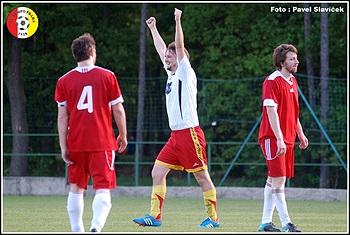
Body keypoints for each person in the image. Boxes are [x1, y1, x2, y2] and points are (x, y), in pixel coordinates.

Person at [133, 8, 220, 228]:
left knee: (201, 177)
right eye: (167, 55)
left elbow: (178, 46)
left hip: (190, 133)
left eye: (171, 55)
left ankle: (213, 218)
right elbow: (162, 48)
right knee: (157, 172)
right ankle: (155, 217)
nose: (167, 56)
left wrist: (178, 20)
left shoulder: (185, 71)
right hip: (176, 136)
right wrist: (153, 28)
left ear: (181, 59)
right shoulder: (171, 75)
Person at [54, 33, 128, 232]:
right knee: (103, 187)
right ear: (93, 52)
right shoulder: (107, 76)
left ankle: (77, 229)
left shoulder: (63, 80)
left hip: (76, 142)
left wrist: (63, 145)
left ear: (74, 55)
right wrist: (123, 134)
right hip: (102, 142)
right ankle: (96, 227)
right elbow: (118, 109)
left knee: (76, 187)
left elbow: (62, 117)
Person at [257, 44, 308, 232]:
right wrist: (278, 138)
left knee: (274, 179)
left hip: (287, 138)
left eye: (296, 58)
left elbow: (293, 113)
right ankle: (287, 223)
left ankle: (265, 223)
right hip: (272, 138)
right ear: (281, 62)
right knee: (279, 179)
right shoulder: (272, 81)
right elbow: (271, 111)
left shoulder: (292, 81)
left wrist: (300, 134)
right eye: (292, 59)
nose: (296, 61)